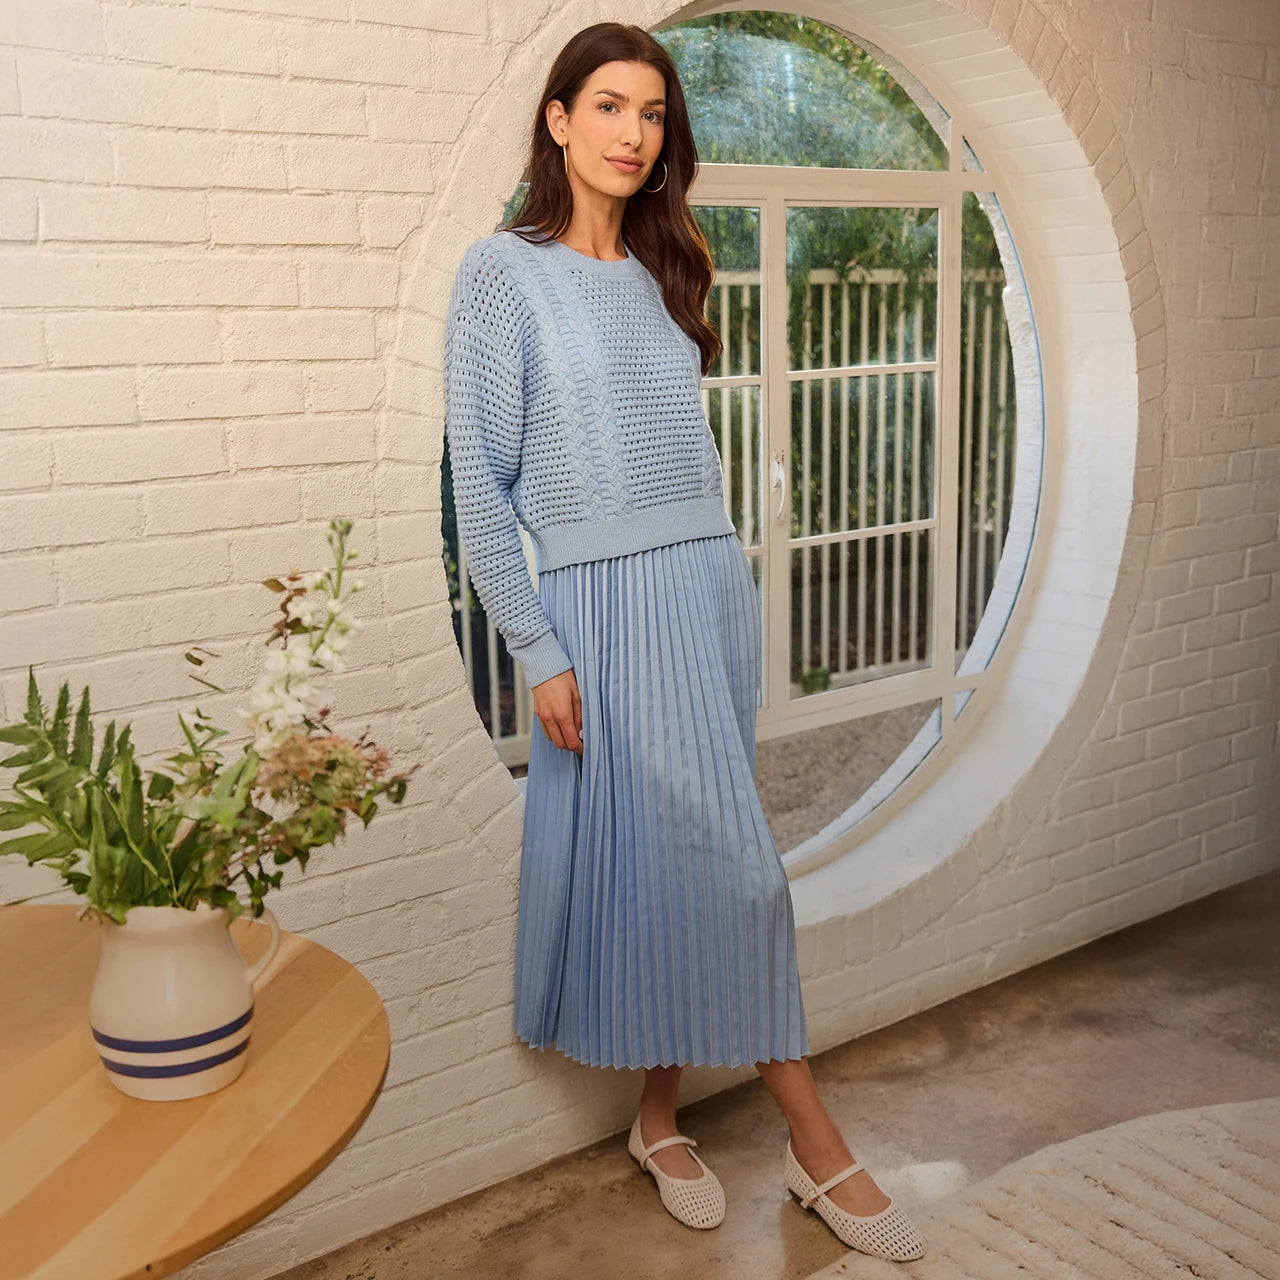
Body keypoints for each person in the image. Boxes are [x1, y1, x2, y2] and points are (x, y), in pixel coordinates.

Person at [442, 20, 926, 1265]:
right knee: (735, 867)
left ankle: (655, 1117)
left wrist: (716, 582)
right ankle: (814, 1140)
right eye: (607, 106)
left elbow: (680, 455)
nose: (631, 134)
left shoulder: (670, 258)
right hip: (599, 613)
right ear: (557, 120)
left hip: (704, 587)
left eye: (652, 114)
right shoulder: (503, 273)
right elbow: (481, 486)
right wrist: (536, 645)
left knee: (684, 864)